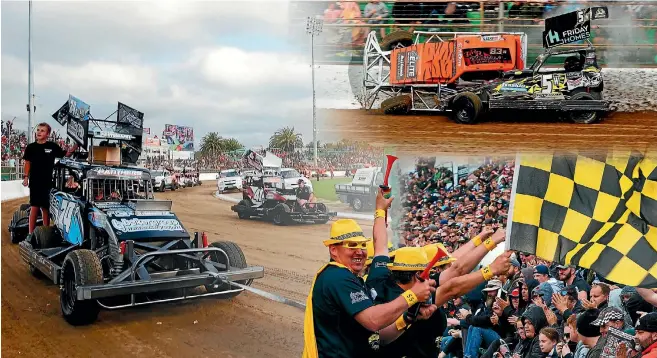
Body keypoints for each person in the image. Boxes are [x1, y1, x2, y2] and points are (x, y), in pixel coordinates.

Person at [302, 216, 437, 358]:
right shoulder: (338, 277)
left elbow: (379, 338)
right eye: (352, 245)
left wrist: (408, 318)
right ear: (334, 250)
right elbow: (373, 321)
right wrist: (412, 295)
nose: (360, 251)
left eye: (362, 245)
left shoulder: (353, 279)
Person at [22, 123, 77, 236]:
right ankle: (30, 234)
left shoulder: (52, 146)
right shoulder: (31, 147)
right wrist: (26, 177)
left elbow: (65, 154)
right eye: (38, 130)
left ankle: (45, 233)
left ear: (48, 134)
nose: (39, 132)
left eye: (42, 130)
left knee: (46, 208)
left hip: (48, 182)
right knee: (34, 207)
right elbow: (27, 163)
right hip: (35, 182)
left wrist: (76, 145)